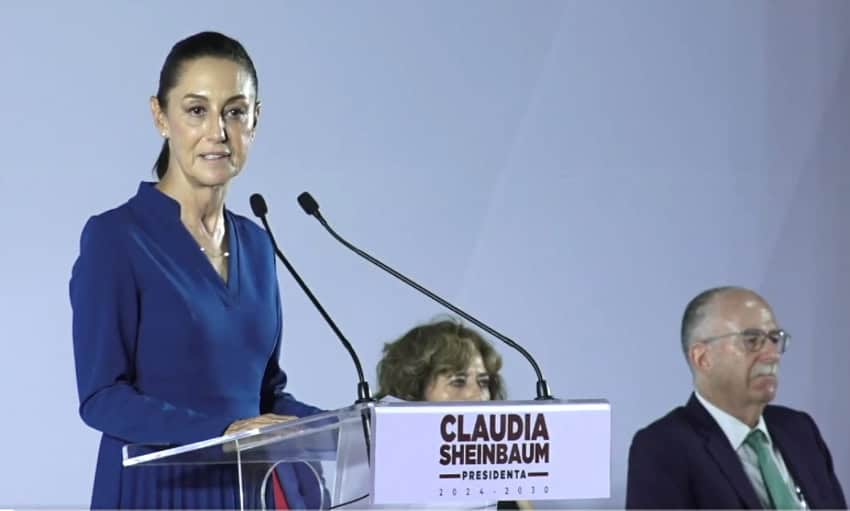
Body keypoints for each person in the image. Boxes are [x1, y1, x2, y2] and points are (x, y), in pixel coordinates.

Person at [70, 31, 323, 509]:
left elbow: (264, 395)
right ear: (160, 116)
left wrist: (347, 424)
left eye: (234, 111)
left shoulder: (257, 243)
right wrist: (223, 433)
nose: (218, 132)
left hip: (249, 495)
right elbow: (102, 396)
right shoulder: (117, 239)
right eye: (196, 110)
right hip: (159, 494)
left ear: (255, 120)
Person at [625, 286, 846, 509]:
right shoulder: (664, 447)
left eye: (774, 339)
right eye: (752, 340)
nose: (772, 355)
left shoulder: (800, 430)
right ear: (702, 358)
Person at [376, 317, 531, 510]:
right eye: (458, 381)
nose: (477, 394)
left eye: (483, 382)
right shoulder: (383, 467)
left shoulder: (506, 471)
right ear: (414, 388)